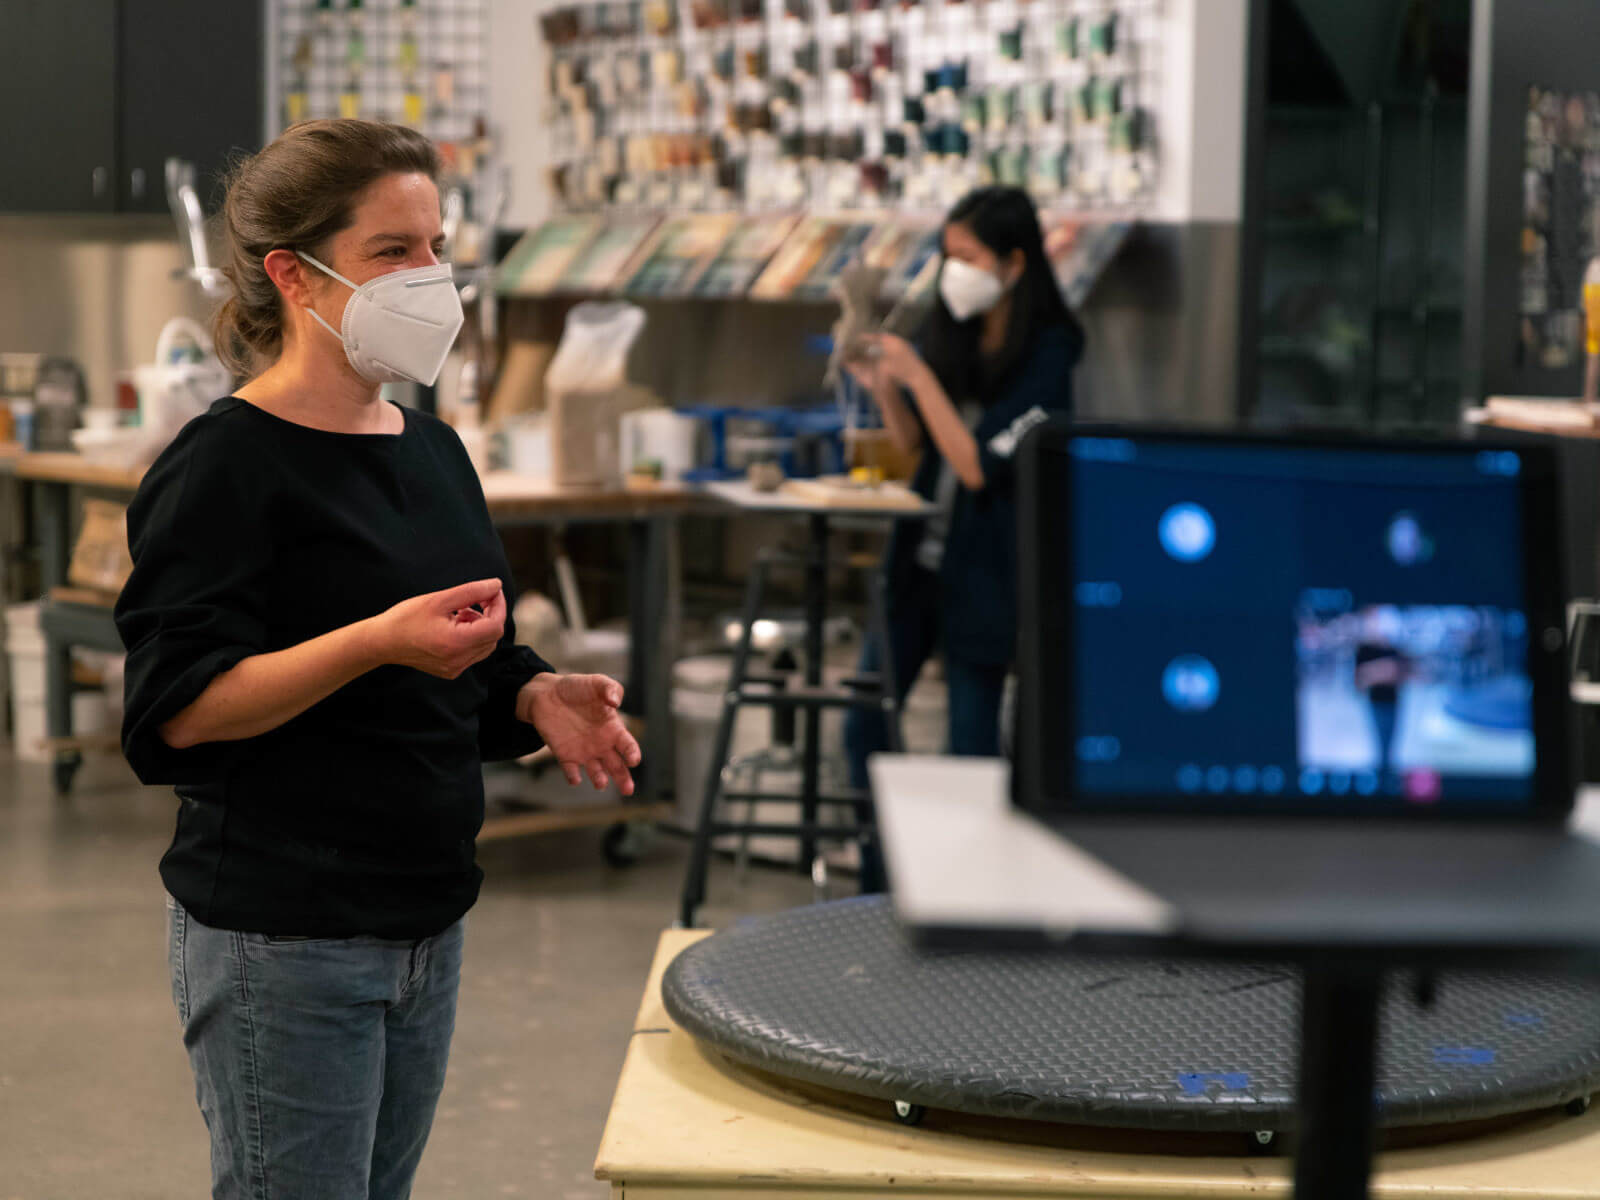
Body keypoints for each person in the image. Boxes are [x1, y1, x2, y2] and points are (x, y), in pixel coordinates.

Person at [113, 119, 640, 1200]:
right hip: (285, 937)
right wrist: (372, 642)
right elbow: (181, 712)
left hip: (426, 920)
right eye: (392, 253)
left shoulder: (432, 450)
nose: (430, 278)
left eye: (436, 247)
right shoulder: (225, 466)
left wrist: (534, 692)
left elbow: (460, 648)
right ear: (293, 278)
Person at [842, 186, 1085, 886]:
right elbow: (919, 446)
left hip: (990, 571)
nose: (955, 271)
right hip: (917, 561)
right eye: (948, 255)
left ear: (1014, 262)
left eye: (968, 256)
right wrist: (886, 384)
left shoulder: (1052, 350)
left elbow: (979, 466)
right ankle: (878, 886)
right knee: (863, 719)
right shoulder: (952, 326)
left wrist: (916, 374)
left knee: (971, 743)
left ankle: (974, 898)